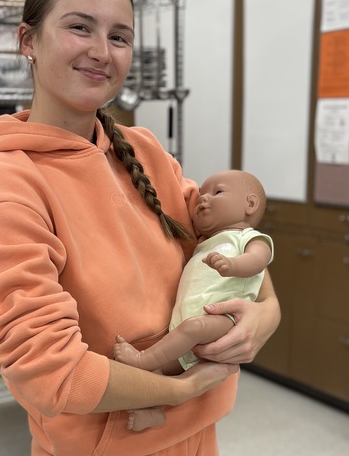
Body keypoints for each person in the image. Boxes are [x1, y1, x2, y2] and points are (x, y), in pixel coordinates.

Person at [0, 0, 280, 456]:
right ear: (29, 40)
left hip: (194, 445)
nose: (101, 51)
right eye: (79, 27)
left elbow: (232, 248)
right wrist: (180, 383)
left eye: (119, 35)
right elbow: (50, 372)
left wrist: (265, 318)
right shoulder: (10, 181)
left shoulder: (146, 153)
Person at [113, 169, 273, 431]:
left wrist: (232, 265)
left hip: (224, 319)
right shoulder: (205, 243)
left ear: (250, 204)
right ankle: (153, 410)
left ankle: (142, 359)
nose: (203, 199)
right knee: (161, 371)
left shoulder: (247, 238)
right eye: (201, 194)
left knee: (194, 328)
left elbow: (259, 260)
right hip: (188, 324)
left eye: (217, 192)